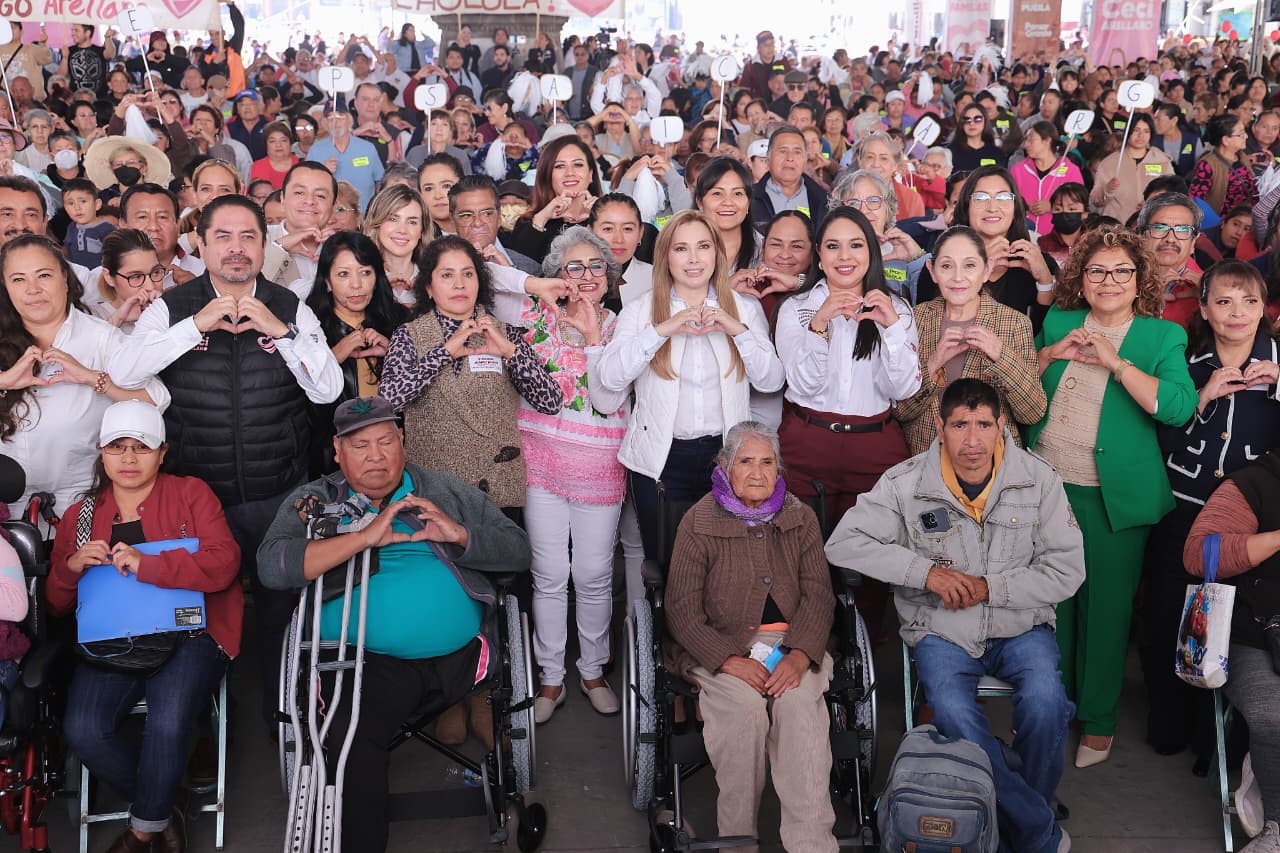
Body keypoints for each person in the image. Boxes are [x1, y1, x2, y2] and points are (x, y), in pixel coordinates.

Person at [106, 194, 343, 732]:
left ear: (264, 244)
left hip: (276, 491)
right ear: (201, 244)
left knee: (280, 610)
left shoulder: (289, 306)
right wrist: (196, 325)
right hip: (196, 496)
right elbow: (124, 371)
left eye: (248, 237)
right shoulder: (173, 307)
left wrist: (279, 332)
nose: (236, 249)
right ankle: (200, 730)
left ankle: (284, 719)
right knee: (198, 615)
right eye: (223, 237)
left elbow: (327, 389)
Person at [257, 395, 532, 853]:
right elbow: (272, 566)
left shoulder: (443, 490)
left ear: (402, 441)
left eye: (386, 442)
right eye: (360, 446)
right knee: (350, 735)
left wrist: (461, 535)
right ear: (337, 451)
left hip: (461, 659)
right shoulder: (315, 501)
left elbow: (518, 549)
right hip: (362, 667)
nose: (376, 456)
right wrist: (362, 538)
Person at [826, 377, 1084, 853]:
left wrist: (992, 587)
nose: (972, 439)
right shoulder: (906, 483)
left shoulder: (1037, 479)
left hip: (1021, 625)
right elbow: (843, 543)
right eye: (960, 424)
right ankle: (1035, 826)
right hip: (942, 629)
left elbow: (1067, 570)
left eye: (984, 424)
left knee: (1047, 704)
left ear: (1001, 426)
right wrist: (924, 573)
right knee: (952, 712)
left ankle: (1011, 810)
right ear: (940, 427)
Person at [1027, 225, 1198, 768]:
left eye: (1122, 270)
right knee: (1054, 608)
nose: (1109, 280)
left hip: (1113, 497)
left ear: (1139, 277)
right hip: (1048, 488)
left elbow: (1177, 407)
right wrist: (1048, 354)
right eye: (1097, 270)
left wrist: (1117, 363)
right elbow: (1018, 390)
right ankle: (1056, 707)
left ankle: (1098, 722)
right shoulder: (1059, 320)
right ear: (1080, 277)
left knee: (1104, 612)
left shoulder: (1161, 336)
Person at [48, 399, 241, 853]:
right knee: (84, 730)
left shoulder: (191, 493)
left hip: (192, 632)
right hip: (112, 638)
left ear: (162, 452)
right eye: (118, 447)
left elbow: (225, 565)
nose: (129, 458)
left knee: (168, 720)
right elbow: (56, 606)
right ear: (102, 453)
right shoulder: (80, 516)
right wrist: (70, 568)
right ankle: (163, 804)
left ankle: (141, 833)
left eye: (142, 447)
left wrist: (148, 564)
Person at [664, 420, 837, 853]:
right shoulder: (698, 520)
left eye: (767, 462)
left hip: (792, 646)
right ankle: (738, 843)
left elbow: (819, 595)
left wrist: (800, 655)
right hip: (721, 649)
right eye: (746, 461)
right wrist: (728, 660)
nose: (758, 473)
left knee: (799, 709)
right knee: (744, 714)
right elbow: (681, 609)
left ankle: (812, 845)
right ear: (725, 466)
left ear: (779, 469)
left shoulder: (800, 517)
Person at [1143, 259, 1280, 758]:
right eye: (1223, 301)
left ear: (1263, 309)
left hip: (1249, 524)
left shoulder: (1278, 365)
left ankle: (1217, 742)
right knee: (1166, 617)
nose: (1237, 312)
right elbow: (1159, 441)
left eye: (1248, 301)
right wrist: (1200, 398)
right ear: (1204, 309)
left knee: (1234, 630)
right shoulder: (1184, 363)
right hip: (1183, 509)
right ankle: (1169, 723)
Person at [596, 209, 784, 557]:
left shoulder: (743, 308)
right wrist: (661, 330)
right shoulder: (640, 309)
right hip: (661, 461)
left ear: (717, 253)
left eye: (703, 246)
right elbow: (610, 377)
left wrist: (736, 330)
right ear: (666, 256)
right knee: (667, 564)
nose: (694, 259)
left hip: (727, 458)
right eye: (681, 248)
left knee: (728, 565)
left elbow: (771, 381)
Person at [520, 227, 629, 723]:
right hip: (541, 464)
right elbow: (491, 278)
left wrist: (591, 339)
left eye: (595, 266)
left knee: (592, 575)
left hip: (600, 469)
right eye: (574, 267)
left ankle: (592, 671)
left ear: (609, 276)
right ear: (556, 277)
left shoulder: (625, 329)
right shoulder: (532, 318)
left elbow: (611, 397)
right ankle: (549, 678)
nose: (586, 276)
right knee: (548, 575)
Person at [378, 234, 562, 514]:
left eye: (468, 274)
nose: (459, 284)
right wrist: (443, 353)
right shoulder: (409, 335)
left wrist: (510, 353)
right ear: (428, 287)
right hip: (432, 491)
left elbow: (551, 402)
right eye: (447, 275)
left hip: (499, 487)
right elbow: (387, 401)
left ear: (480, 281)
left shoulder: (505, 333)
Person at [0, 233, 167, 530]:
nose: (32, 289)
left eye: (43, 275)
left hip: (79, 509)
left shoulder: (101, 337)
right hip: (5, 512)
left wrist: (92, 378)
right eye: (18, 279)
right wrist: (4, 381)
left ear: (65, 278)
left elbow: (157, 400)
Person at [896, 225, 1046, 455]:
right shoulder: (915, 319)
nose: (958, 277)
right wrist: (933, 364)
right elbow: (901, 411)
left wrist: (1001, 356)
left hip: (993, 463)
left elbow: (1032, 412)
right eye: (946, 266)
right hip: (925, 460)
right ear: (932, 271)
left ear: (986, 270)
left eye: (969, 266)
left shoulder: (1014, 323)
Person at [304, 230, 408, 474]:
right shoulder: (310, 327)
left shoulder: (401, 321)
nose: (356, 284)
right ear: (327, 281)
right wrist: (332, 357)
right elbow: (299, 409)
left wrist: (394, 355)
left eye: (365, 272)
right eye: (343, 274)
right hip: (331, 459)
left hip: (396, 453)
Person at [916, 166, 1056, 331]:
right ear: (966, 206)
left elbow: (1043, 336)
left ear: (1015, 207)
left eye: (1003, 197)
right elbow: (929, 328)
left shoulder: (1037, 262)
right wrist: (978, 264)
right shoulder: (941, 265)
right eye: (981, 197)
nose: (992, 207)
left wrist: (1045, 282)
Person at [827, 168, 929, 302]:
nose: (864, 210)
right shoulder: (831, 253)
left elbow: (929, 306)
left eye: (873, 200)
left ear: (888, 208)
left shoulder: (904, 253)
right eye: (854, 202)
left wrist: (917, 259)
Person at [504, 135, 604, 263]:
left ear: (590, 174)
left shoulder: (608, 217)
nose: (570, 172)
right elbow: (518, 269)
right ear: (547, 176)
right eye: (560, 166)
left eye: (578, 165)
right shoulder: (529, 222)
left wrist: (603, 218)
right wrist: (541, 219)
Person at [1091, 113, 1175, 223]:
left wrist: (1155, 203)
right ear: (1128, 132)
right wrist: (1107, 190)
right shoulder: (1110, 163)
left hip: (1151, 225)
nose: (1141, 135)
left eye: (1146, 131)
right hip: (1117, 227)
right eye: (1136, 130)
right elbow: (1095, 202)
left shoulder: (1162, 161)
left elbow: (1173, 194)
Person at [1137, 192, 1205, 328]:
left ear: (1193, 242)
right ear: (1142, 237)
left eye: (1182, 230)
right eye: (1160, 228)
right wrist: (1145, 297)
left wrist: (1210, 301)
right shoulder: (1118, 280)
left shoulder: (1209, 288)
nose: (1170, 239)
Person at [362, 183, 433, 306]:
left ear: (422, 230)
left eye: (412, 222)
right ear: (377, 223)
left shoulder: (433, 277)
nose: (402, 230)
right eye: (393, 219)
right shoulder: (360, 276)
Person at [82, 227, 166, 331]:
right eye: (136, 277)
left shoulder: (169, 311)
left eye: (155, 272)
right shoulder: (90, 317)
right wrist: (118, 320)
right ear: (109, 277)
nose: (150, 286)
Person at [749, 125, 831, 230]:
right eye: (783, 151)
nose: (790, 158)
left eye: (797, 152)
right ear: (768, 158)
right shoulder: (748, 198)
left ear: (805, 160)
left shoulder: (824, 200)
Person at [1013, 121, 1085, 237]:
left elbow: (1079, 204)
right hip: (1024, 236)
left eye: (1031, 140)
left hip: (1058, 237)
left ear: (1047, 141)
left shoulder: (1071, 171)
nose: (1026, 144)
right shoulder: (1018, 170)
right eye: (1026, 140)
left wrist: (1053, 206)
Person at [306, 105, 384, 214]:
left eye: (340, 116)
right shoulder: (315, 150)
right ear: (325, 123)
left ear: (349, 120)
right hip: (329, 216)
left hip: (364, 216)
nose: (335, 122)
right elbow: (306, 184)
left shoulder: (367, 148)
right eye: (330, 118)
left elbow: (380, 181)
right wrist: (324, 172)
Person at [694, 157, 759, 274]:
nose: (728, 202)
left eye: (737, 193)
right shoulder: (681, 247)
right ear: (700, 203)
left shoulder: (766, 248)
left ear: (748, 202)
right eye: (717, 193)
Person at [1190, 114, 1260, 217]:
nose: (1246, 136)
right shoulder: (1207, 165)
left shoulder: (1242, 156)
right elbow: (1196, 201)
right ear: (1226, 140)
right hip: (1221, 222)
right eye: (1241, 134)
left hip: (1247, 218)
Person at [852, 131, 926, 221]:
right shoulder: (844, 193)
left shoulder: (911, 199)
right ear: (860, 161)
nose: (876, 164)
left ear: (895, 165)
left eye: (884, 158)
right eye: (870, 157)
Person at [62, 176, 115, 269]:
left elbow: (116, 257)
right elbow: (68, 252)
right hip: (77, 275)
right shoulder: (71, 227)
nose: (77, 208)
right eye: (71, 203)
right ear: (65, 208)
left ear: (97, 204)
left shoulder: (107, 230)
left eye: (83, 201)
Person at [1038, 183, 1089, 267]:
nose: (1064, 213)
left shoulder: (1094, 244)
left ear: (1085, 213)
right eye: (1058, 209)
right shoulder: (1041, 245)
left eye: (1071, 209)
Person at [949, 103, 1008, 172]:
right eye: (967, 120)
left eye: (977, 119)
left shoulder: (996, 153)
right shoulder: (951, 152)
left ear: (985, 121)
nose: (972, 123)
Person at [249, 120, 298, 190]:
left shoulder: (301, 164)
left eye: (283, 140)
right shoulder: (257, 167)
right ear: (266, 144)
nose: (278, 145)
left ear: (290, 143)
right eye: (272, 141)